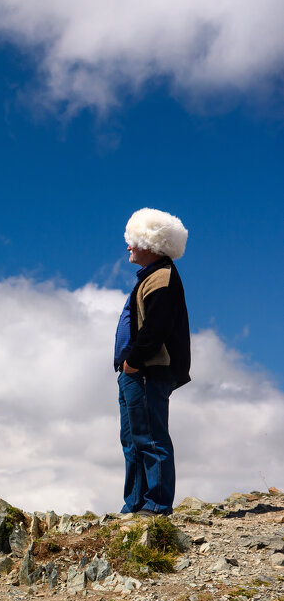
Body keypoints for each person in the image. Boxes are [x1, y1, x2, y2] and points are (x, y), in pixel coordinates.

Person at [114, 208, 191, 516]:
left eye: (133, 240)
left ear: (150, 243)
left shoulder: (162, 277)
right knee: (132, 439)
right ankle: (134, 505)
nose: (128, 246)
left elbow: (156, 327)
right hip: (135, 372)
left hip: (146, 371)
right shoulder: (153, 276)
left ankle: (156, 506)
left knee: (149, 437)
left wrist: (133, 361)